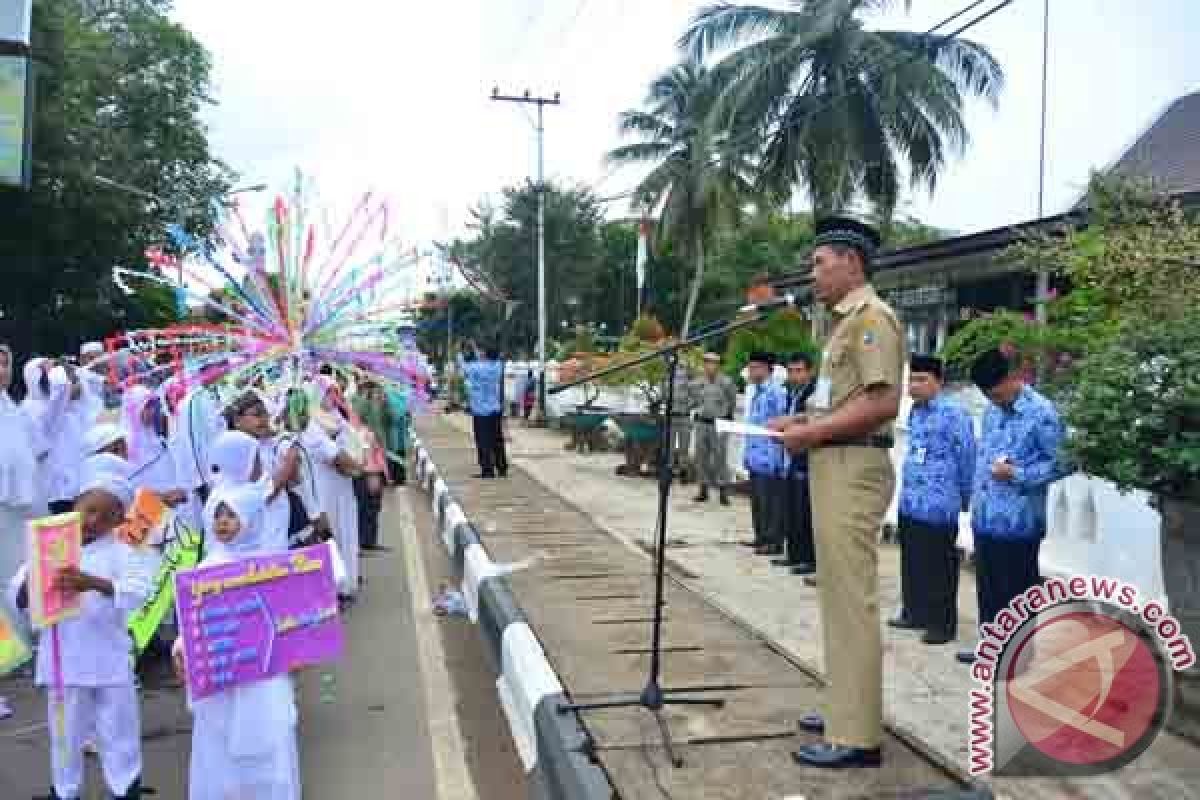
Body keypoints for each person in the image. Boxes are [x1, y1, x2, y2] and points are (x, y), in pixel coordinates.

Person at [776, 215, 904, 769]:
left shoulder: (872, 318)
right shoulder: (841, 323)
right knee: (837, 596)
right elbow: (842, 400)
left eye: (820, 263)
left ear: (851, 263)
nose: (813, 274)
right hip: (835, 463)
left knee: (852, 599)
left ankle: (857, 737)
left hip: (854, 466)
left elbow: (881, 404)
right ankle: (845, 705)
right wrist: (798, 421)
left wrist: (813, 433)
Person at [8, 470, 150, 800]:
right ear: (75, 504)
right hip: (64, 662)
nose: (94, 520)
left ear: (119, 520)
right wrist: (31, 587)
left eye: (107, 514)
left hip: (110, 660)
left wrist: (95, 583)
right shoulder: (48, 545)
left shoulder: (123, 553)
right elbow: (19, 594)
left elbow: (138, 592)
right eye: (90, 509)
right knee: (65, 735)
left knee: (119, 732)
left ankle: (124, 789)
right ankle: (65, 791)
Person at [176, 483, 300, 800]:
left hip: (263, 679)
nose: (224, 523)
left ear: (252, 518)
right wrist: (181, 650)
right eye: (218, 515)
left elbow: (292, 619)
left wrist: (299, 647)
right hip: (221, 679)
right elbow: (193, 621)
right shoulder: (205, 569)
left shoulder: (270, 567)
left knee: (266, 745)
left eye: (232, 515)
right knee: (220, 748)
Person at [957, 348, 1066, 665]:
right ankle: (990, 650)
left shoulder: (1042, 413)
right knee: (988, 590)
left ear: (1012, 378)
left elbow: (1063, 463)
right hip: (987, 516)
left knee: (1016, 593)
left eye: (996, 392)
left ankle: (1018, 657)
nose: (994, 399)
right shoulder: (992, 411)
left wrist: (1017, 474)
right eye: (987, 395)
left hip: (1020, 522)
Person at [890, 355, 976, 646]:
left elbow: (967, 458)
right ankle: (914, 612)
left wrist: (965, 497)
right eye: (911, 379)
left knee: (939, 566)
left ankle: (941, 624)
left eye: (921, 379)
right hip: (912, 499)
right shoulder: (915, 411)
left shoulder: (954, 414)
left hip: (940, 501)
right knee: (912, 560)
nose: (914, 386)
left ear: (939, 381)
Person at [306, 379, 363, 604]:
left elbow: (354, 441)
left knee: (346, 529)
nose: (332, 398)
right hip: (324, 487)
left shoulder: (337, 418)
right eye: (328, 393)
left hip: (342, 486)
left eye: (334, 393)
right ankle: (333, 587)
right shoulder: (311, 423)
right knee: (331, 533)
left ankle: (346, 582)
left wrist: (358, 459)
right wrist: (357, 466)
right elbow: (332, 454)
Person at [773, 352, 817, 576]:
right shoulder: (791, 391)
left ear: (810, 371)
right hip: (790, 455)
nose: (793, 375)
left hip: (807, 457)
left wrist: (790, 420)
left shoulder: (815, 391)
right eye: (790, 370)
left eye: (798, 370)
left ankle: (808, 559)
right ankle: (793, 555)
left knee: (804, 510)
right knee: (790, 506)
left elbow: (815, 416)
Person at [742, 353, 788, 556]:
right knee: (758, 501)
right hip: (755, 455)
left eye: (756, 368)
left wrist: (777, 456)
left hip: (770, 456)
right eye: (750, 367)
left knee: (771, 501)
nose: (751, 372)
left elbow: (781, 423)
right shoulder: (757, 392)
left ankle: (773, 541)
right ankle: (760, 536)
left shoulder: (775, 392)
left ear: (767, 369)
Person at [691, 352, 737, 505]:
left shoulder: (726, 382)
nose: (710, 366)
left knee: (720, 457)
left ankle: (723, 490)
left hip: (719, 423)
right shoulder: (697, 382)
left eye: (713, 363)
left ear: (718, 365)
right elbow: (693, 400)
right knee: (701, 456)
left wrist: (727, 419)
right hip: (702, 423)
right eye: (707, 362)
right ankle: (703, 489)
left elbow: (732, 402)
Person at [457, 341, 507, 479]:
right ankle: (502, 468)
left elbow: (462, 368)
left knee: (483, 440)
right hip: (495, 408)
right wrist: (475, 349)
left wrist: (462, 352)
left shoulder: (474, 367)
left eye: (480, 350)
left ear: (484, 352)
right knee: (497, 439)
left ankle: (487, 470)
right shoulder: (498, 366)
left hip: (480, 410)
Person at [351, 378, 388, 552]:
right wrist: (374, 474)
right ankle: (365, 541)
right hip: (367, 470)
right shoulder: (365, 424)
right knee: (369, 506)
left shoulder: (363, 411)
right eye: (376, 393)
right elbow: (368, 453)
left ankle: (366, 540)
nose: (380, 397)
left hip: (368, 468)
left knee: (369, 506)